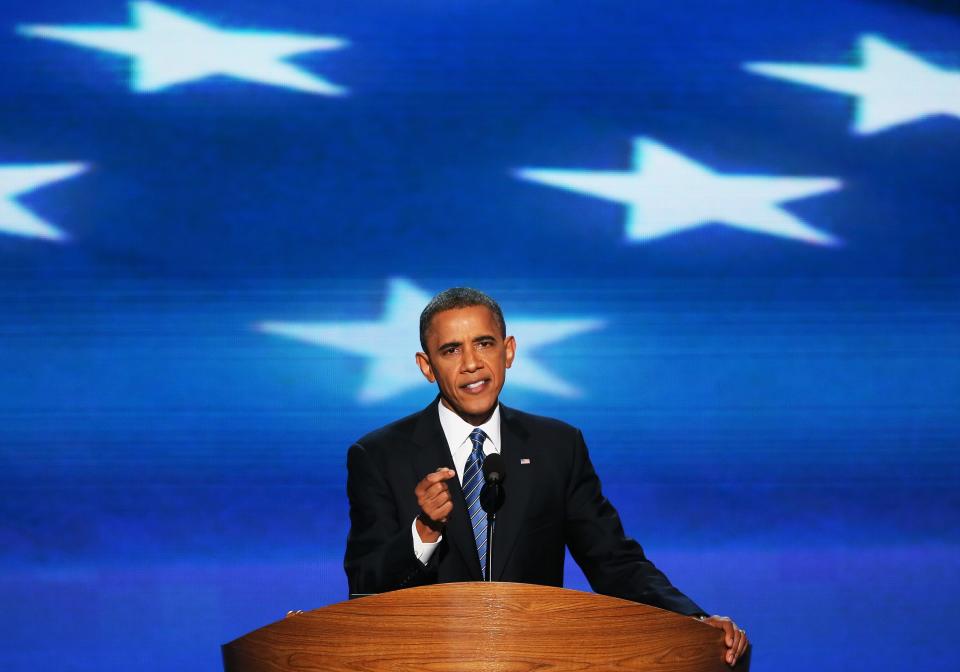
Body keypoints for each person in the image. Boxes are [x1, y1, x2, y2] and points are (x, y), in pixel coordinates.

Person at [344, 287, 749, 666]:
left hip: (538, 660)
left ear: (509, 351)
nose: (471, 364)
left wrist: (691, 619)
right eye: (451, 350)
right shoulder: (379, 455)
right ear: (427, 367)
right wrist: (424, 530)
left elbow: (614, 561)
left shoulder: (557, 446)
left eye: (484, 343)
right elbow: (364, 583)